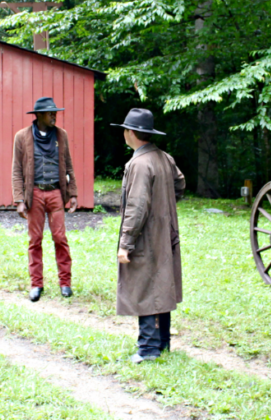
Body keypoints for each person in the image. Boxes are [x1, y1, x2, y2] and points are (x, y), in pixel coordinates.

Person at [112, 108, 185, 363]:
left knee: (146, 286)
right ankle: (162, 343)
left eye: (124, 129)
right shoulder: (164, 157)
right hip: (165, 233)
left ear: (130, 133)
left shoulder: (140, 163)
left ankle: (149, 349)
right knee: (161, 283)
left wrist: (125, 244)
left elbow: (136, 206)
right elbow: (180, 184)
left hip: (146, 235)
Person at [12, 96, 79, 302]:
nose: (54, 116)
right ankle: (36, 284)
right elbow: (16, 170)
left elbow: (68, 165)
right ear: (39, 115)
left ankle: (65, 283)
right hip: (35, 194)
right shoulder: (22, 137)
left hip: (56, 193)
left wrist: (73, 193)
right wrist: (19, 199)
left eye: (55, 113)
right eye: (50, 113)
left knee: (60, 238)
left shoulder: (61, 135)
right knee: (35, 240)